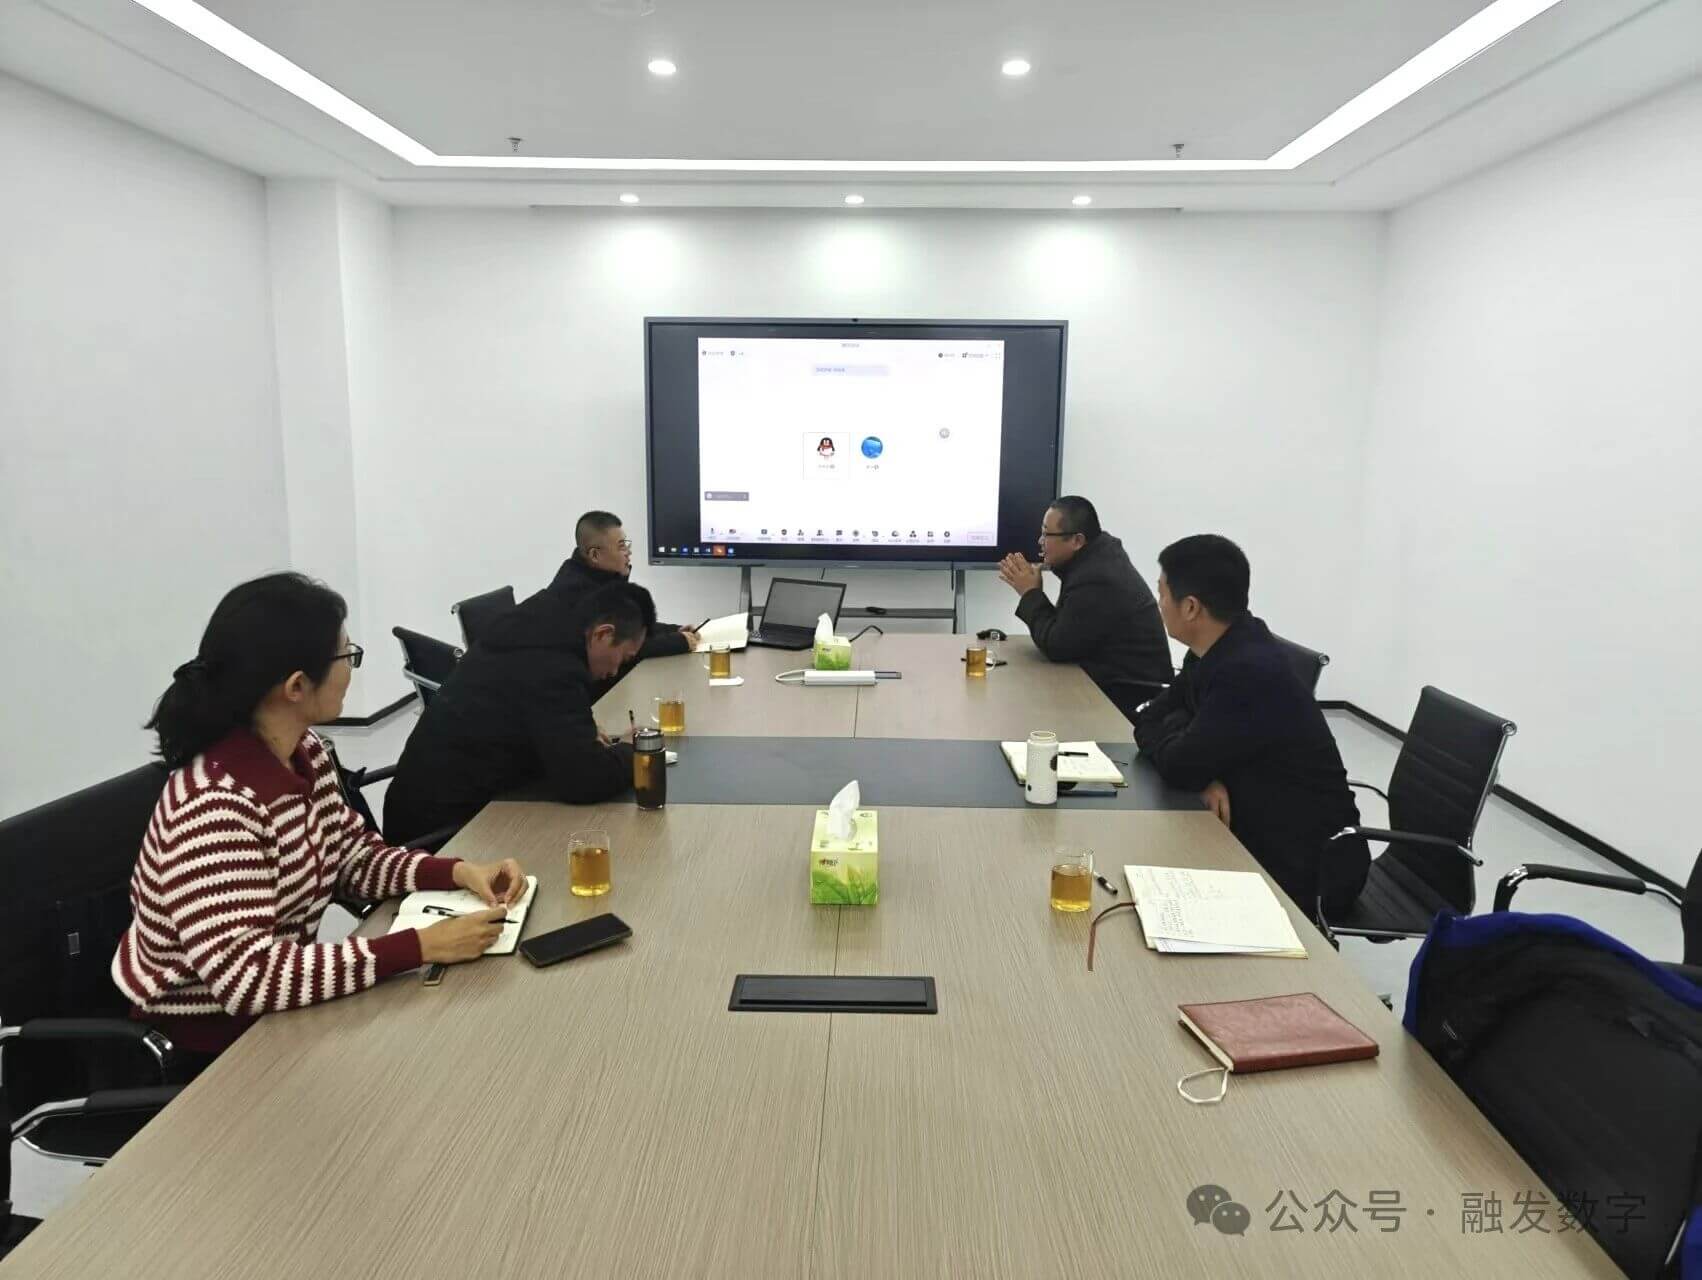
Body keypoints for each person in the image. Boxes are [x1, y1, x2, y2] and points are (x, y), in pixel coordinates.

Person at [111, 573, 525, 1071]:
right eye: (346, 656)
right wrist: (420, 946)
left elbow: (353, 859)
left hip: (278, 1015)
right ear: (296, 687)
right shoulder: (216, 805)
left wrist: (457, 872)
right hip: (209, 1051)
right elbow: (247, 978)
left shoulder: (303, 752)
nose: (351, 669)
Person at [1132, 535, 1369, 916]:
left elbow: (1178, 761)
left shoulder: (1247, 671)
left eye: (1161, 594)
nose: (1158, 605)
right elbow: (1149, 717)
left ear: (1190, 607)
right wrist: (1202, 771)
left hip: (1311, 861)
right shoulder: (1218, 646)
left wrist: (1194, 763)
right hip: (1262, 822)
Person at [384, 580, 653, 842]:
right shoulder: (556, 666)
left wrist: (580, 735)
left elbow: (536, 720)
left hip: (425, 804)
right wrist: (632, 749)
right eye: (623, 658)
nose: (615, 671)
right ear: (603, 634)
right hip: (447, 830)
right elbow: (584, 780)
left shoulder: (538, 631)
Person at [997, 495, 1173, 721]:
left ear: (1077, 541)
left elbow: (1057, 646)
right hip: (1110, 685)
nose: (1040, 541)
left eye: (1047, 534)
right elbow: (1065, 633)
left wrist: (1030, 593)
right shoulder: (1095, 560)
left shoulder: (1098, 578)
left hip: (1129, 701)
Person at [546, 511, 700, 663]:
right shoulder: (577, 591)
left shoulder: (599, 575)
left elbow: (629, 627)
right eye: (621, 547)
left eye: (626, 544)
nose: (628, 552)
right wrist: (678, 642)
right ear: (595, 555)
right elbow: (618, 647)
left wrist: (675, 631)